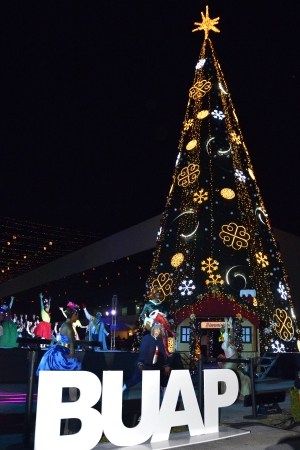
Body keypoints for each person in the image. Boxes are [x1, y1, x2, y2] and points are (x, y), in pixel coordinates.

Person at [36, 302, 82, 434]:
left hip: (57, 352)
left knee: (58, 384)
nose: (77, 318)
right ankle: (72, 405)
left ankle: (60, 422)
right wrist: (73, 355)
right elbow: (72, 344)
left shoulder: (64, 324)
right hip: (64, 354)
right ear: (73, 315)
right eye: (77, 315)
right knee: (75, 370)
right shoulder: (69, 326)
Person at [123, 322, 171, 396]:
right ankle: (123, 388)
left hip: (155, 365)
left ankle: (165, 396)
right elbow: (143, 352)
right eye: (156, 329)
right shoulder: (146, 338)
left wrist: (165, 364)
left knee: (162, 380)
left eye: (159, 329)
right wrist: (141, 363)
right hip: (144, 364)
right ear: (152, 329)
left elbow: (162, 353)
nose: (157, 331)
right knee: (134, 380)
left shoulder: (160, 340)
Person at [218, 317, 251, 400]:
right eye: (229, 338)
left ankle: (243, 394)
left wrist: (231, 325)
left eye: (231, 338)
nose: (231, 338)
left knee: (244, 378)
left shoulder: (232, 345)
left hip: (234, 366)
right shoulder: (226, 345)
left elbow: (230, 334)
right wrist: (226, 324)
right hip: (229, 366)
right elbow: (226, 335)